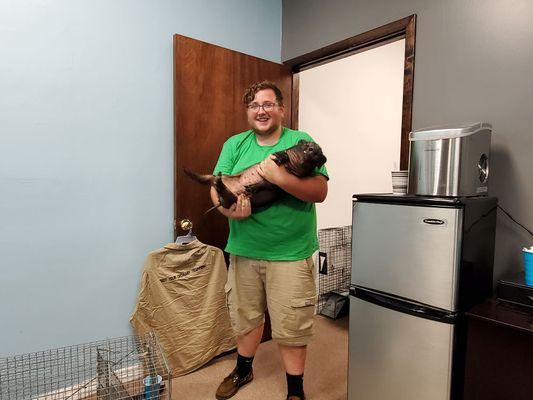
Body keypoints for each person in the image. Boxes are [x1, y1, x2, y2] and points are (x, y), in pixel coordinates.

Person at [211, 81, 328, 400]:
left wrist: (280, 178)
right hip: (245, 250)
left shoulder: (301, 141)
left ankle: (295, 390)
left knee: (292, 324)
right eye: (253, 106)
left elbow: (320, 191)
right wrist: (230, 212)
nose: (260, 110)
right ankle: (243, 369)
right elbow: (217, 186)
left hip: (290, 252)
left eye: (267, 104)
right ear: (248, 112)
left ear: (281, 109)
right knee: (246, 317)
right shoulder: (234, 144)